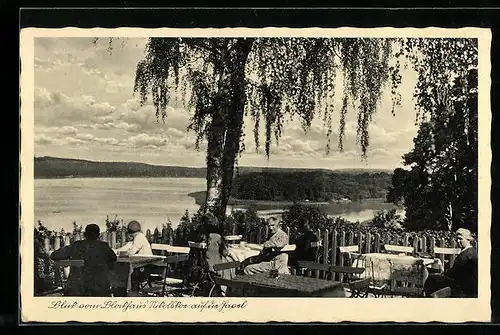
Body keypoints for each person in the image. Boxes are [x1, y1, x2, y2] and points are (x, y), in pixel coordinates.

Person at [50, 223, 117, 297]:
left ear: (85, 234)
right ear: (98, 235)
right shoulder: (103, 247)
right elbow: (113, 259)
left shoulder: (76, 246)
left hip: (76, 290)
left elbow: (54, 255)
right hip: (99, 290)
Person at [423, 228, 478, 298]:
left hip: (461, 287)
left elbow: (456, 273)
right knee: (434, 277)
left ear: (468, 239)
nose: (458, 241)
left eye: (460, 239)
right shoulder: (470, 251)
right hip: (459, 283)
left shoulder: (467, 254)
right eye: (457, 239)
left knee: (431, 278)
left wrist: (442, 274)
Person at [112, 220, 153, 295]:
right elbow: (128, 247)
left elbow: (131, 252)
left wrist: (119, 253)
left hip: (144, 267)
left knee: (126, 271)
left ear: (130, 232)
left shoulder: (139, 238)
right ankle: (128, 290)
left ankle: (131, 292)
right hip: (145, 265)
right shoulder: (140, 237)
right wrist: (117, 250)